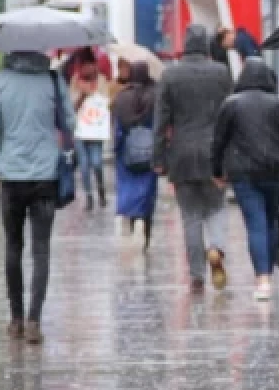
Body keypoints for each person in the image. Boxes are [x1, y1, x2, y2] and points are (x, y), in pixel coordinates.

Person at [0, 50, 75, 345]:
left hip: (11, 177)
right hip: (46, 176)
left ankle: (16, 318)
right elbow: (70, 123)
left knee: (13, 246)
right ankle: (35, 320)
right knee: (41, 250)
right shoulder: (52, 80)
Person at [153, 25, 234, 293]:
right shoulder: (221, 73)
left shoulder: (170, 75)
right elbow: (229, 114)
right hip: (214, 153)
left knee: (191, 216)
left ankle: (197, 275)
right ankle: (216, 247)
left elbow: (161, 120)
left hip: (182, 155)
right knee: (216, 207)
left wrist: (158, 158)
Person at [211, 58, 279, 300]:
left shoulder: (231, 104)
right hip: (275, 170)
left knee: (256, 224)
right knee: (272, 222)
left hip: (243, 173)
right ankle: (269, 273)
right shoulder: (277, 104)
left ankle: (262, 280)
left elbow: (219, 140)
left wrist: (217, 171)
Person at [111, 61, 160, 249]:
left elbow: (117, 128)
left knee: (129, 189)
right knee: (147, 191)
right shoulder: (155, 96)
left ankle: (133, 221)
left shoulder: (121, 97)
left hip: (127, 152)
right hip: (149, 151)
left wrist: (117, 148)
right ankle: (145, 228)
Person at [72, 65, 109, 211]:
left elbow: (107, 104)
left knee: (97, 162)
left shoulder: (101, 86)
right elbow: (71, 109)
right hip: (80, 134)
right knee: (84, 166)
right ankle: (89, 196)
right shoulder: (76, 87)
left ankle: (101, 189)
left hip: (95, 134)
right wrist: (81, 95)